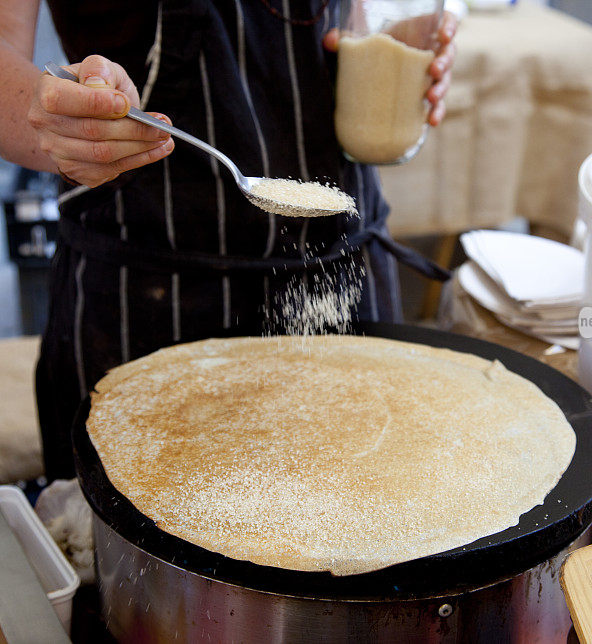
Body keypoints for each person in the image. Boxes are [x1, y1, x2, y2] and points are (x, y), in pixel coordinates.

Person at [0, 0, 457, 479]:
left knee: (378, 507)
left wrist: (389, 47)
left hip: (342, 269)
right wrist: (57, 115)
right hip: (149, 298)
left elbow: (343, 21)